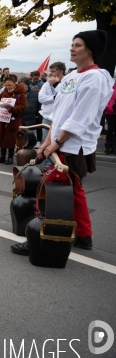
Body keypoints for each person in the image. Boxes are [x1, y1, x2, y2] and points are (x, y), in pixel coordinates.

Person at [11, 30, 114, 255]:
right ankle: (84, 236)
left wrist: (56, 143)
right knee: (74, 191)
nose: (72, 48)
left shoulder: (95, 78)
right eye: (72, 44)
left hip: (73, 146)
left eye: (77, 45)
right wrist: (48, 140)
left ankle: (40, 236)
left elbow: (81, 116)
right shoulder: (70, 76)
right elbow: (58, 114)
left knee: (49, 191)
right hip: (60, 142)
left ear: (90, 50)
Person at [0, 74, 27, 165]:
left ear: (15, 83)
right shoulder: (3, 92)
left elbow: (23, 107)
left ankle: (10, 157)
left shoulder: (20, 94)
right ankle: (2, 156)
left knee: (10, 139)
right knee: (2, 137)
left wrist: (12, 109)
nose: (7, 87)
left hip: (13, 120)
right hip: (2, 118)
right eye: (6, 85)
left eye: (9, 85)